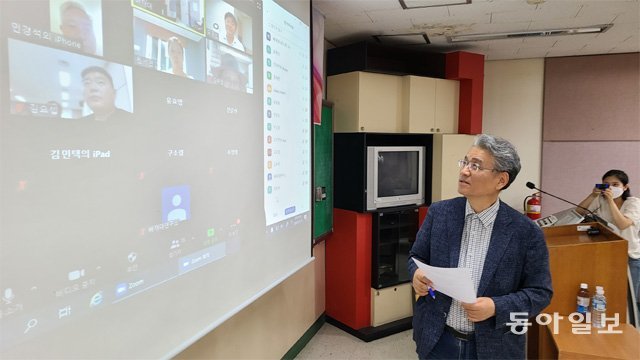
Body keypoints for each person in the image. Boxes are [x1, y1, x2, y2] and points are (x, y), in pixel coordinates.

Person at [408, 134, 553, 359]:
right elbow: (416, 256)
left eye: (475, 166)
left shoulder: (526, 232)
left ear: (501, 180)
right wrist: (417, 274)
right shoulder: (440, 213)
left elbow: (540, 293)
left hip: (494, 347)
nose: (464, 170)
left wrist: (496, 307)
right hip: (438, 339)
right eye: (465, 162)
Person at [576, 169, 640, 314]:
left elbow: (622, 224)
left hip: (630, 255)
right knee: (610, 294)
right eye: (606, 184)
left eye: (615, 184)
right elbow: (578, 212)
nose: (610, 187)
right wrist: (593, 195)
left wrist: (611, 200)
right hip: (608, 253)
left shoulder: (634, 203)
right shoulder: (600, 200)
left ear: (625, 187)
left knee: (630, 301)